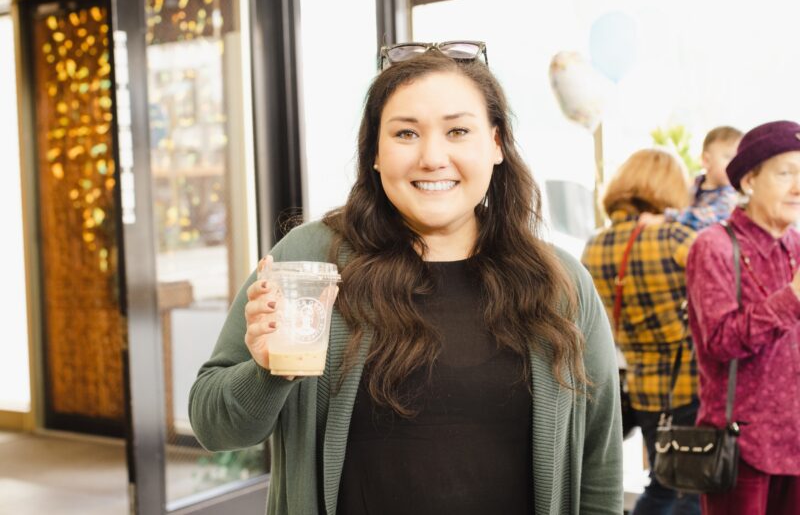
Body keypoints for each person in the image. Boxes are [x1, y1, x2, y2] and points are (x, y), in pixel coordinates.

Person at [188, 43, 623, 515]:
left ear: (496, 144)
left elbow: (598, 469)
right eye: (406, 133)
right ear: (374, 152)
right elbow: (215, 427)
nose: (433, 157)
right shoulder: (312, 260)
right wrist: (269, 372)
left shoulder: (558, 284)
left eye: (458, 130)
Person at [686, 120, 800, 514]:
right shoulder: (714, 246)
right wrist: (793, 297)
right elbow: (720, 341)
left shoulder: (797, 246)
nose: (798, 188)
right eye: (786, 173)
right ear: (749, 180)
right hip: (741, 448)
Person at [582, 148, 700, 515]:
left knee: (665, 482)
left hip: (638, 385)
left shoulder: (596, 245)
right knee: (687, 490)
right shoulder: (677, 239)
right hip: (687, 385)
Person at [643, 126, 742, 231]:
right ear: (706, 160)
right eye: (729, 157)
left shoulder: (729, 197)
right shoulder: (695, 183)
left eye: (739, 159)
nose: (736, 164)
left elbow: (700, 218)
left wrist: (665, 217)